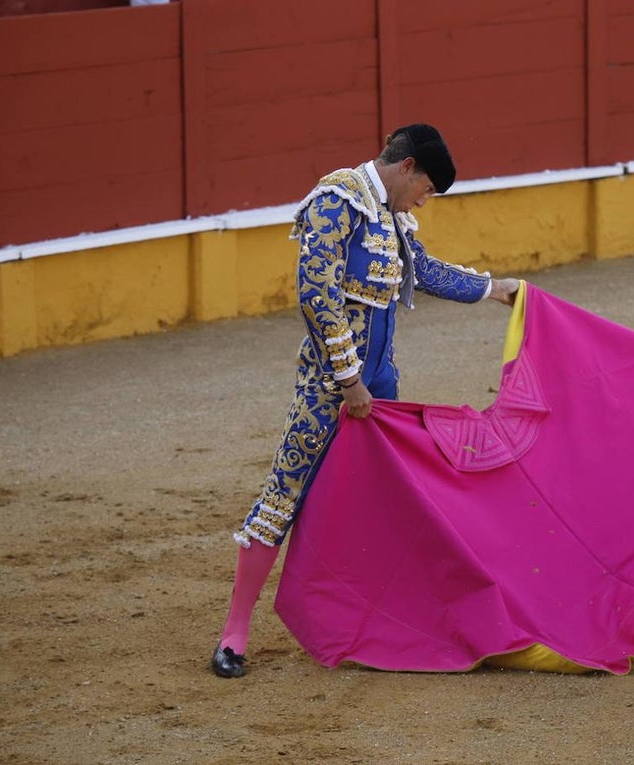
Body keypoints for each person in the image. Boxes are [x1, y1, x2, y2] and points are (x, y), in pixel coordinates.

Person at [211, 124, 520, 678]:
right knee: (285, 493)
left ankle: (377, 620)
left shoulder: (389, 215)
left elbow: (422, 270)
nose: (424, 201)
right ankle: (234, 633)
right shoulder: (337, 201)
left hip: (381, 386)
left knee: (377, 501)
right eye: (426, 189)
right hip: (330, 386)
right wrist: (349, 379)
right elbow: (317, 295)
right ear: (407, 168)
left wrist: (494, 289)